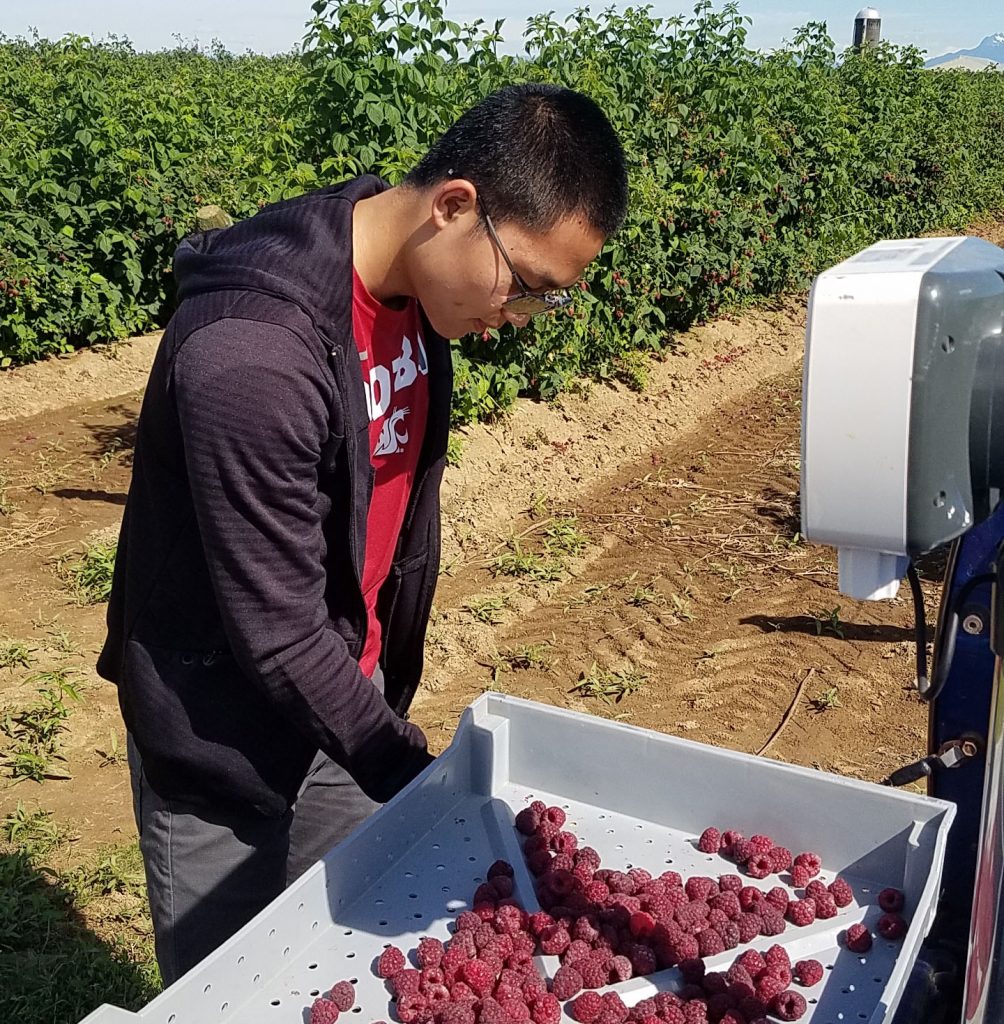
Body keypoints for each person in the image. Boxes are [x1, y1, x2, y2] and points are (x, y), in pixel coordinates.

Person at [97, 82, 628, 986]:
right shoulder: (253, 354)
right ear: (454, 206)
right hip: (221, 730)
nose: (519, 321)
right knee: (235, 990)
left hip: (344, 697)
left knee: (340, 969)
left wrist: (377, 702)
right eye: (528, 287)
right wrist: (421, 778)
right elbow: (274, 631)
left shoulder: (412, 291)